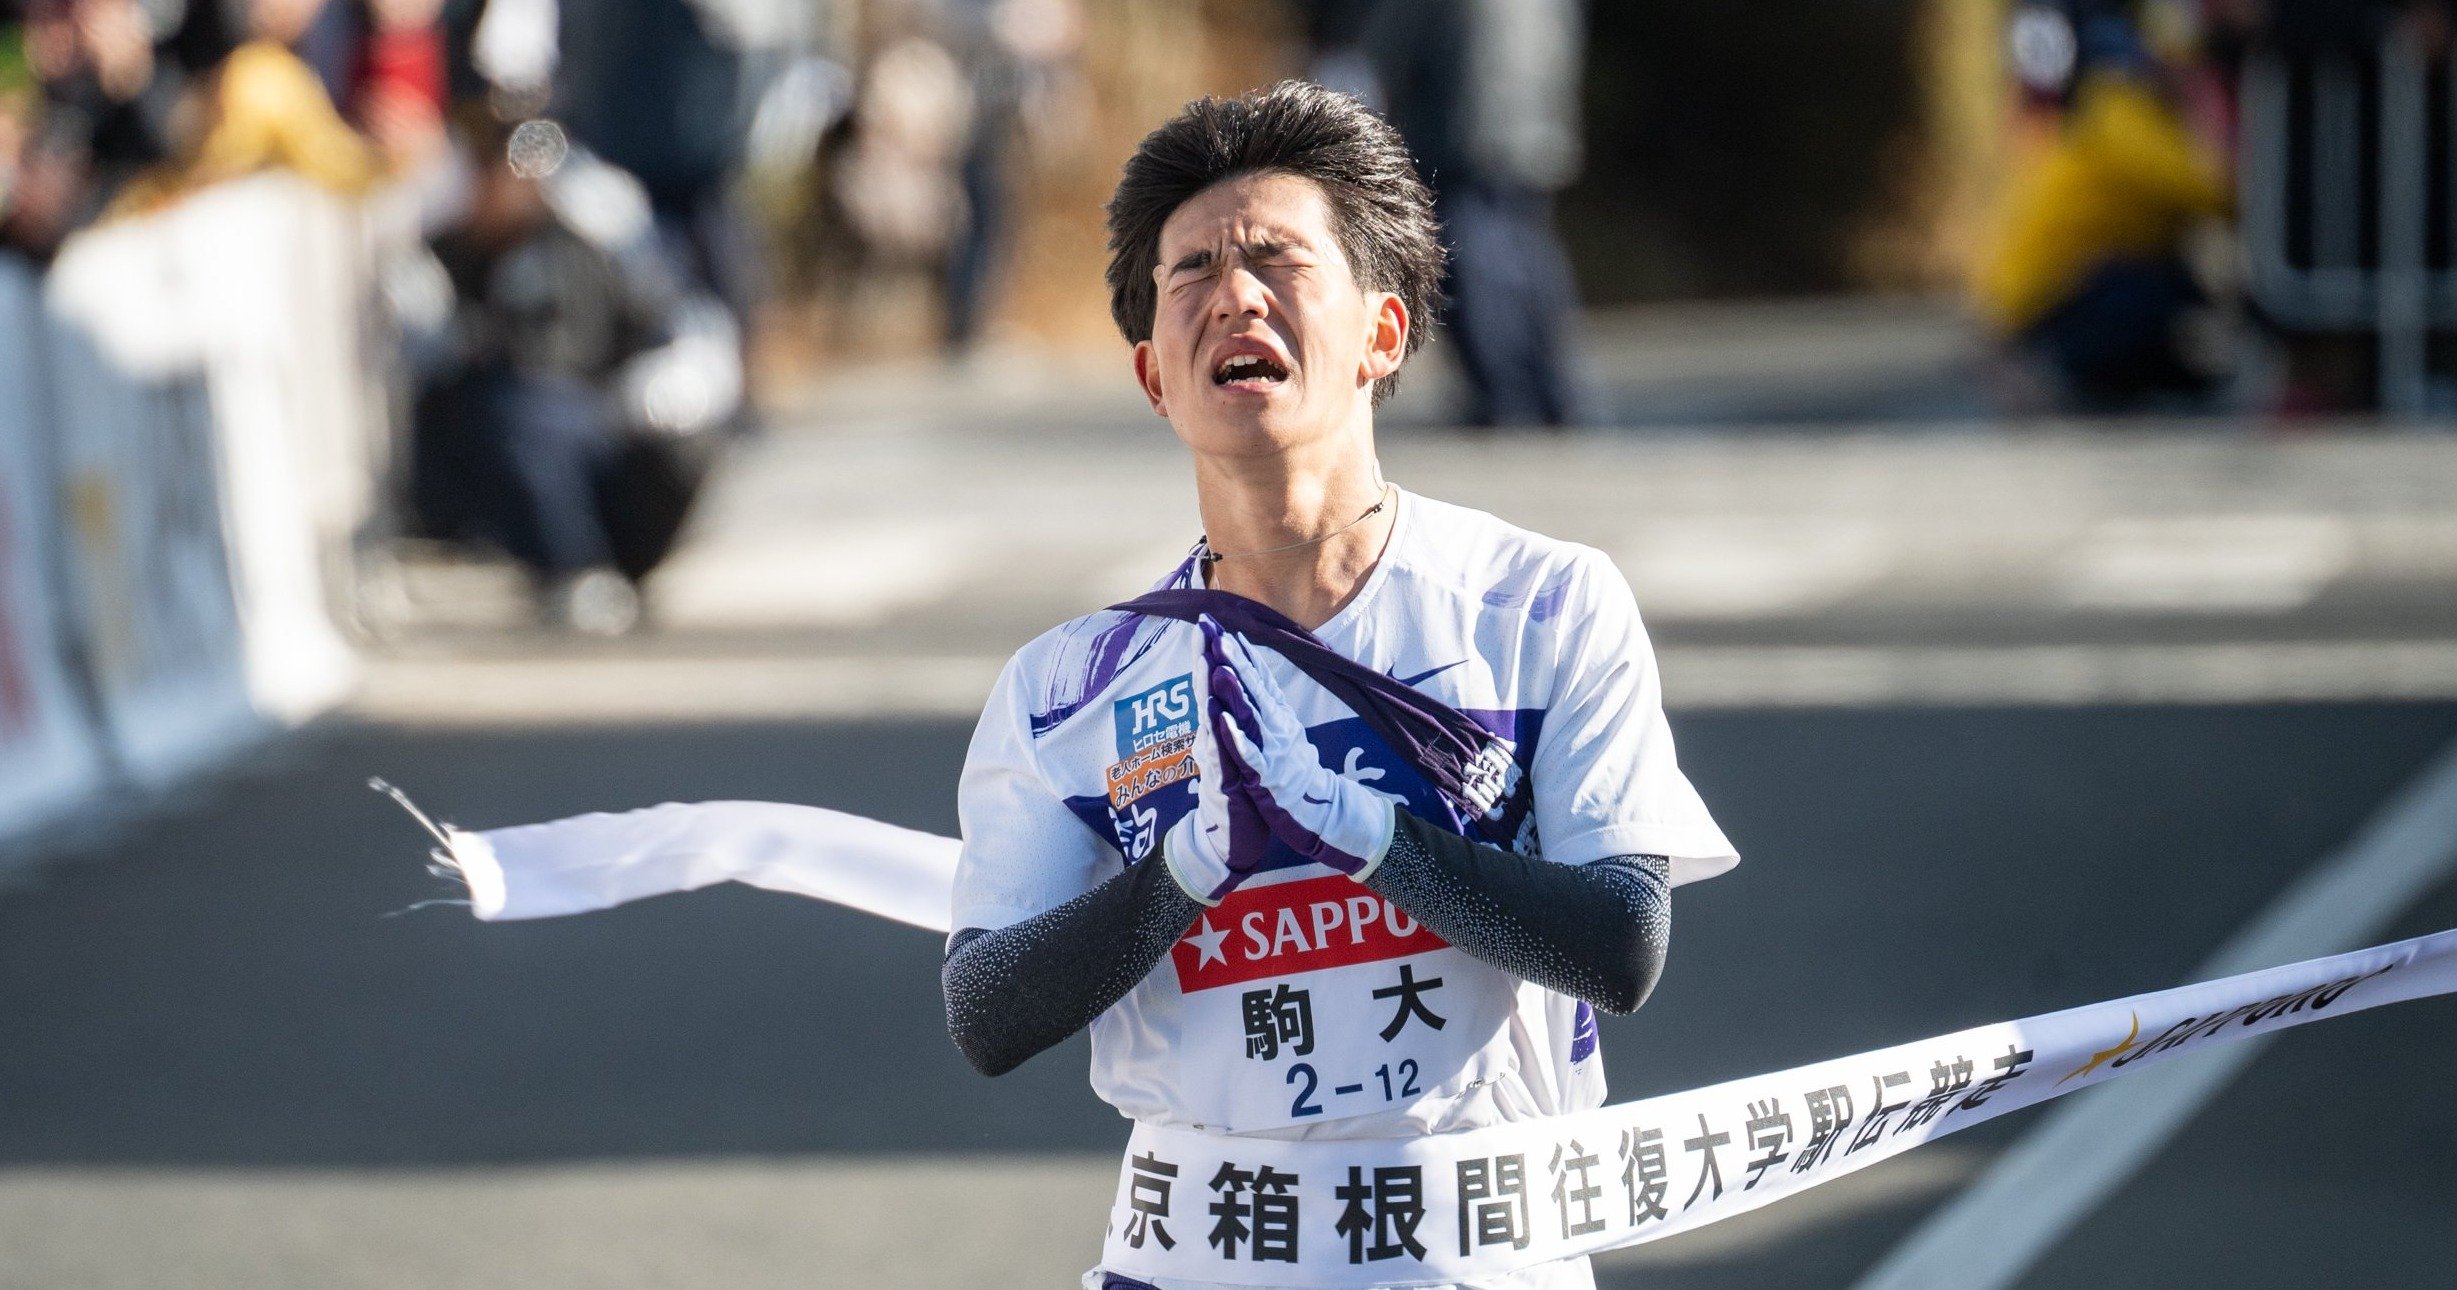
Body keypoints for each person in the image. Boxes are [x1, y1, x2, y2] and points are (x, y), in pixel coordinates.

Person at [940, 82, 1736, 1290]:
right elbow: (988, 1011)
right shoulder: (1068, 689)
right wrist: (1193, 864)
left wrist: (1364, 833)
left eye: (1276, 257)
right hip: (1197, 1258)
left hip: (1468, 1258)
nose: (1234, 294)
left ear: (1383, 333)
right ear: (1155, 376)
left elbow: (1622, 941)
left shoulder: (1541, 605)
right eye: (1191, 271)